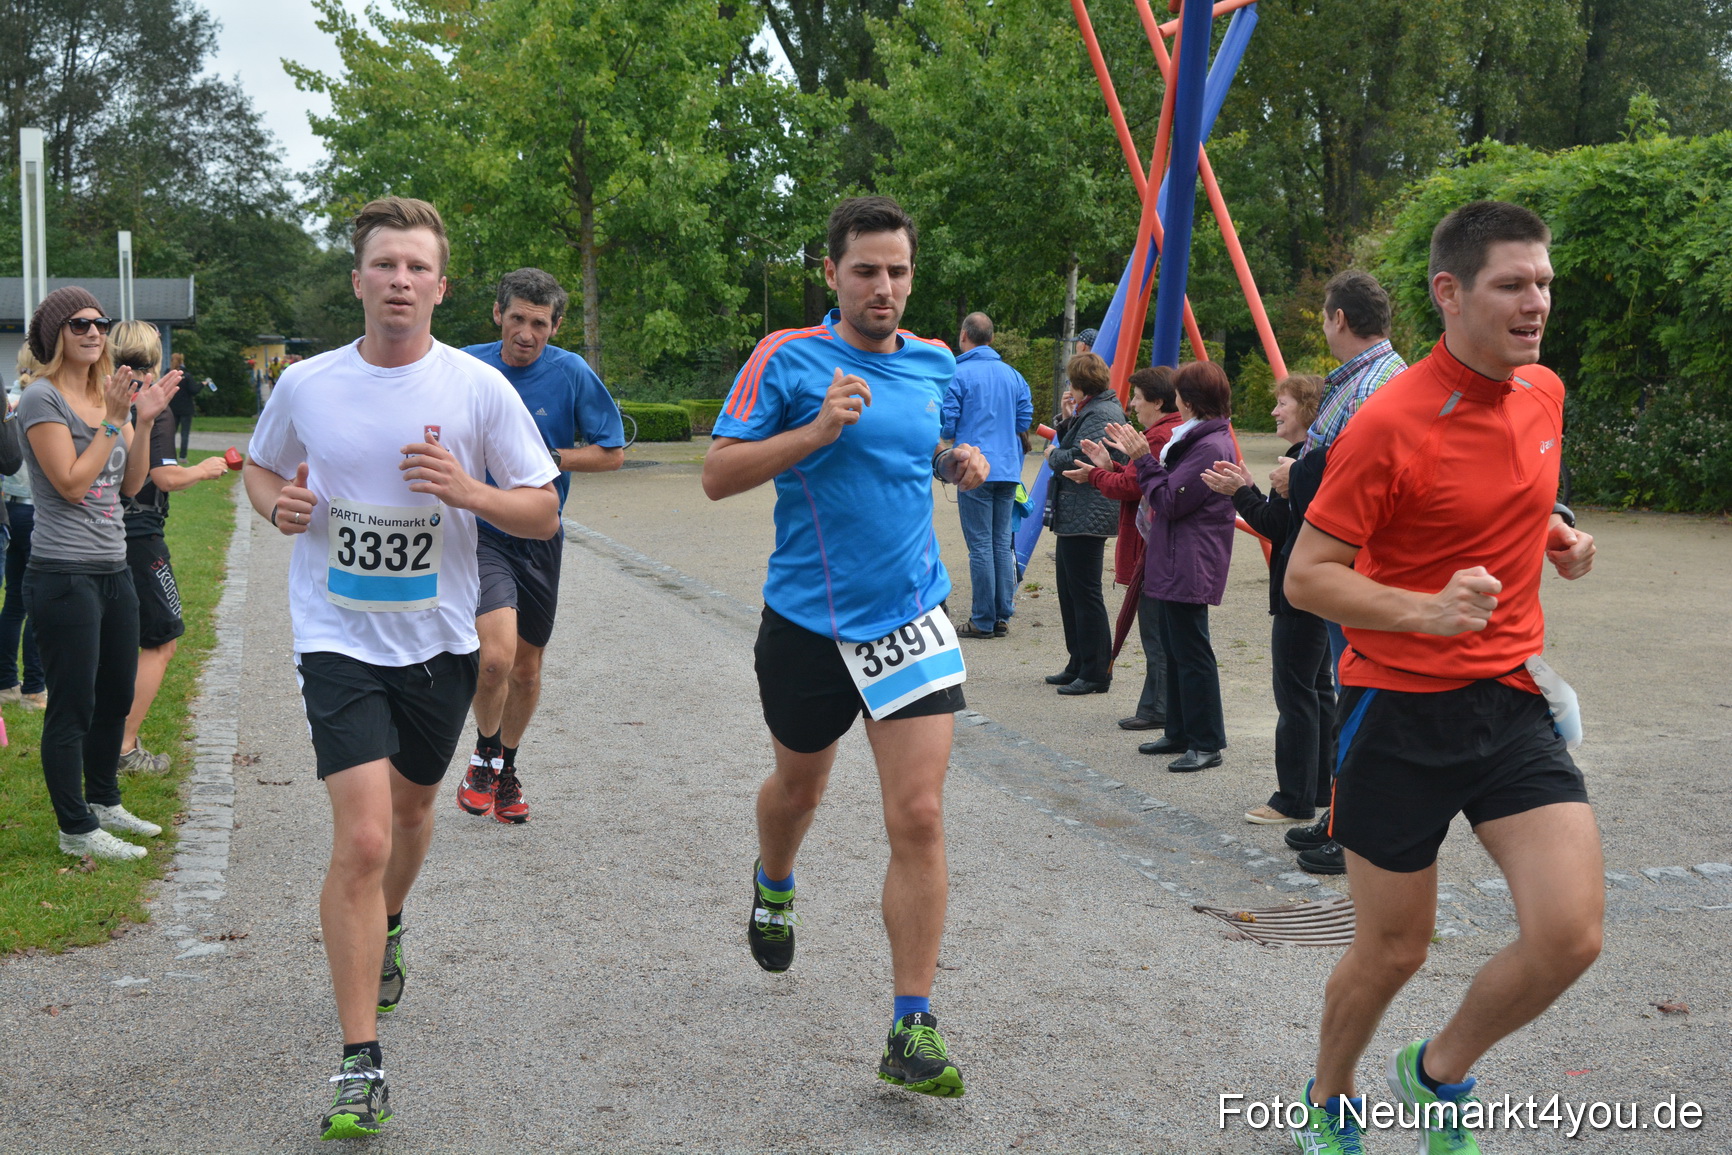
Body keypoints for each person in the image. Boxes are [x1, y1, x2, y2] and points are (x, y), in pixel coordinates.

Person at [1282, 201, 1600, 1155]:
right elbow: (1308, 576)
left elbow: (1512, 491)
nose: (1536, 302)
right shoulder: (1389, 423)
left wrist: (1558, 534)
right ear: (1449, 293)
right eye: (1513, 284)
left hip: (1511, 699)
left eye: (1543, 282)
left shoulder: (1542, 392)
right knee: (1394, 948)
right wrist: (1426, 610)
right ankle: (1328, 1095)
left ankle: (1435, 1071)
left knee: (1570, 934)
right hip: (1398, 710)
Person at [243, 197, 559, 1140]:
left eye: (417, 267)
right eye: (385, 264)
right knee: (365, 836)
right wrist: (276, 507)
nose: (400, 280)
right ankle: (360, 1062)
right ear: (358, 280)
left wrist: (467, 490)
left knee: (414, 815)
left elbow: (543, 508)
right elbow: (262, 468)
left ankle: (387, 926)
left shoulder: (476, 389)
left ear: (441, 286)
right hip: (336, 637)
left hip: (439, 641)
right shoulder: (307, 384)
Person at [703, 195, 986, 1098]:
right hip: (807, 626)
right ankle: (774, 881)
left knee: (921, 814)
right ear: (832, 273)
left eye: (898, 271)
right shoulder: (786, 357)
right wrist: (815, 431)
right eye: (866, 270)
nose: (883, 287)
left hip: (909, 618)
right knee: (799, 790)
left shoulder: (936, 361)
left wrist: (953, 462)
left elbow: (918, 448)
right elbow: (717, 475)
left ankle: (912, 1025)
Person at [454, 268, 625, 823]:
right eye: (517, 319)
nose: (526, 334)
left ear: (555, 326)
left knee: (526, 671)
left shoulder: (570, 372)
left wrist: (552, 458)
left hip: (540, 535)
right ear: (497, 315)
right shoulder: (465, 366)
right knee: (494, 659)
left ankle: (504, 766)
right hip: (480, 531)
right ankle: (483, 755)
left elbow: (612, 453)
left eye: (540, 324)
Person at [19, 287, 179, 862]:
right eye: (79, 324)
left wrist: (143, 419)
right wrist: (114, 420)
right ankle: (76, 827)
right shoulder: (42, 398)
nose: (93, 332)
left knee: (115, 695)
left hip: (114, 567)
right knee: (74, 705)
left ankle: (105, 801)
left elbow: (131, 484)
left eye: (100, 323)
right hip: (63, 574)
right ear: (55, 335)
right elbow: (71, 483)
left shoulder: (106, 393)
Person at [1200, 374, 1334, 823]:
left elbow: (1277, 527)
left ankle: (1293, 798)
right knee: (1317, 688)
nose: (1275, 411)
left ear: (1307, 410)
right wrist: (1248, 490)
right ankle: (1319, 788)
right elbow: (1283, 521)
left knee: (1296, 692)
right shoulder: (1308, 458)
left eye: (1283, 403)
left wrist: (1238, 493)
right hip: (1321, 585)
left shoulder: (1301, 463)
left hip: (1301, 588)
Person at [1101, 361, 1236, 771]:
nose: (1175, 400)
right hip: (1179, 554)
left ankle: (1206, 741)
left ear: (1189, 400)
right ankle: (1179, 730)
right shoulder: (1199, 437)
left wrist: (1143, 460)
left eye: (1179, 393)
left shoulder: (1209, 445)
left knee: (1192, 652)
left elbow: (1170, 500)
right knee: (1177, 649)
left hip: (1191, 558)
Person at [110, 322, 230, 774]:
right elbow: (162, 477)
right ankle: (123, 747)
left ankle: (107, 738)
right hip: (140, 536)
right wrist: (204, 469)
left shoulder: (105, 396)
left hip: (104, 530)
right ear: (157, 357)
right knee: (162, 640)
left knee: (119, 643)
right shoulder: (153, 405)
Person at [1062, 366, 1183, 730]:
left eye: (1139, 398)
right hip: (1157, 545)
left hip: (1153, 547)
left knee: (1156, 632)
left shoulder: (1159, 436)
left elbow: (1134, 486)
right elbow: (1135, 479)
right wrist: (1110, 466)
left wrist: (1096, 474)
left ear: (1157, 402)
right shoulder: (1162, 432)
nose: (1133, 405)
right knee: (1159, 632)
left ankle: (1158, 708)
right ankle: (1158, 706)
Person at [941, 311, 1032, 639]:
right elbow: (1024, 421)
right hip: (1008, 468)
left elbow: (947, 425)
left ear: (964, 336)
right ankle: (1001, 615)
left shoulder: (957, 373)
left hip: (973, 468)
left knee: (980, 545)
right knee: (1001, 543)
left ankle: (982, 619)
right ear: (991, 339)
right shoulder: (1014, 375)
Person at [1041, 352, 1124, 695]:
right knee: (1070, 590)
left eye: (1070, 382)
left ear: (1079, 384)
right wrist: (1066, 419)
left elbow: (1078, 457)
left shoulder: (1101, 412)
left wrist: (1052, 456)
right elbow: (1077, 443)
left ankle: (1096, 671)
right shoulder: (1093, 409)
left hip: (1089, 512)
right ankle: (1078, 662)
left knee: (1085, 594)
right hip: (1079, 512)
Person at [1, 348, 47, 709]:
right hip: (36, 511)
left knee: (14, 601)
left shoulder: (10, 400)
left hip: (9, 510)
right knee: (38, 602)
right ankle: (34, 686)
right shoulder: (44, 403)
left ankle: (6, 683)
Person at [167, 352, 197, 461]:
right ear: (182, 361)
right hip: (186, 408)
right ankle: (183, 456)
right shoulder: (186, 375)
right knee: (184, 434)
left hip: (172, 407)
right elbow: (193, 390)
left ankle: (169, 454)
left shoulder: (168, 373)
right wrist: (202, 385)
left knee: (171, 433)